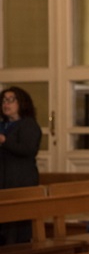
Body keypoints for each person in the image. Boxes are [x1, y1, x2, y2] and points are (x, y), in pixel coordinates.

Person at [0, 86, 43, 245]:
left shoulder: (28, 125)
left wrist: (5, 141)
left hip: (20, 180)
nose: (6, 104)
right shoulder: (2, 125)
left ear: (22, 103)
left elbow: (28, 150)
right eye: (4, 100)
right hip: (3, 179)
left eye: (11, 100)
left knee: (16, 226)